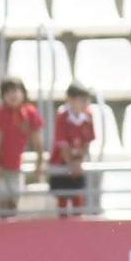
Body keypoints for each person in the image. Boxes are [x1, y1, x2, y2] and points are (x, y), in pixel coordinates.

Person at [0, 77, 43, 217]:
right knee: (3, 199)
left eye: (16, 91)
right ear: (3, 96)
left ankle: (11, 231)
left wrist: (40, 162)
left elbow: (37, 141)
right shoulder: (1, 113)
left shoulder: (30, 113)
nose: (13, 95)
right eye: (8, 92)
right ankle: (2, 230)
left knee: (14, 200)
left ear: (23, 93)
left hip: (15, 163)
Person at [48, 82, 97, 215]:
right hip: (62, 162)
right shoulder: (62, 116)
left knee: (77, 197)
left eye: (87, 100)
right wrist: (71, 163)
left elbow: (87, 141)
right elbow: (62, 144)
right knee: (63, 198)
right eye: (82, 100)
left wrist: (79, 161)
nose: (85, 103)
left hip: (77, 162)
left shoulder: (88, 116)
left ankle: (78, 226)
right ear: (70, 99)